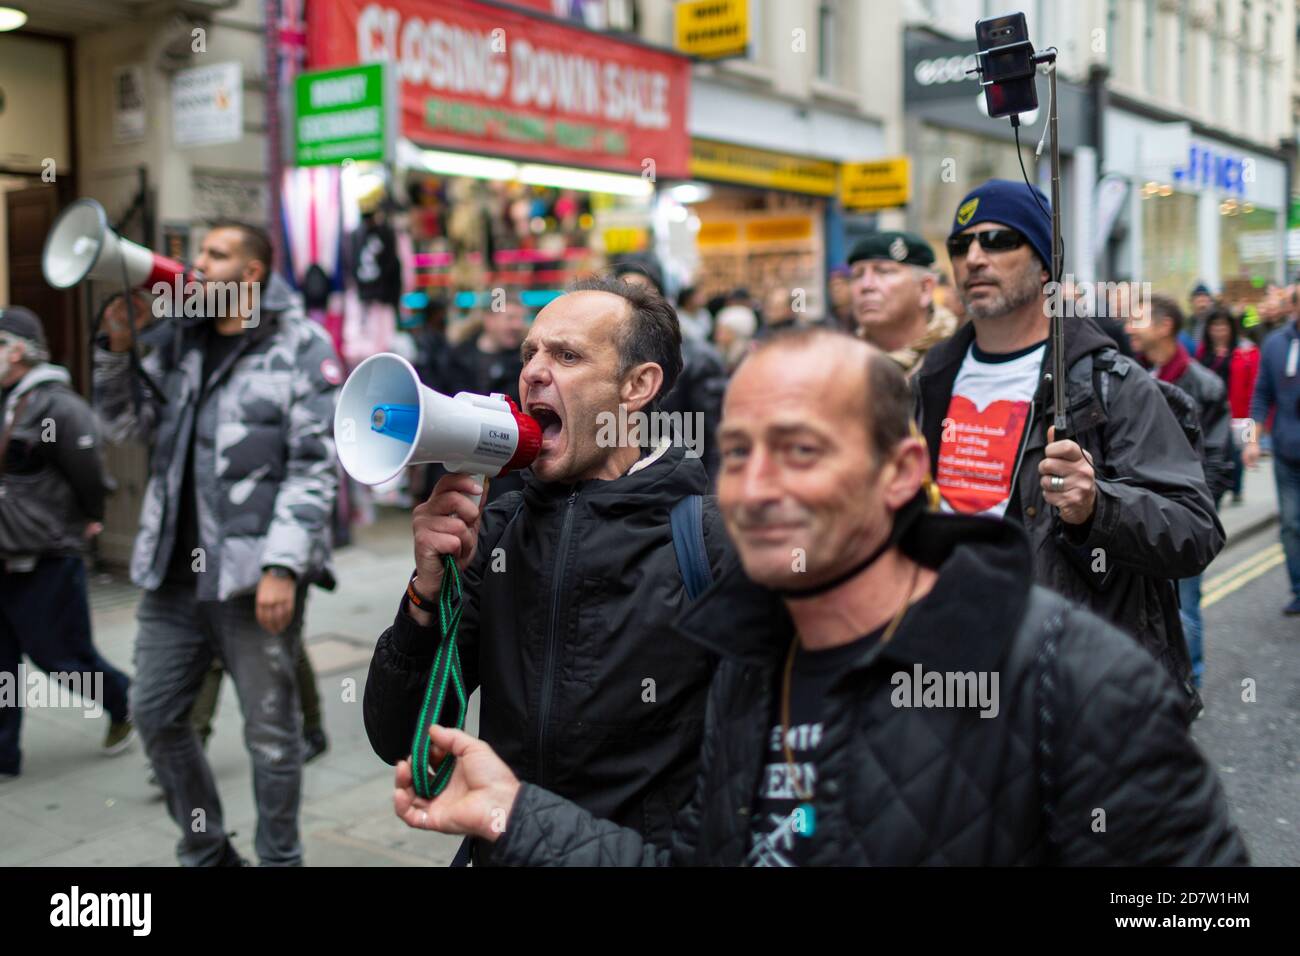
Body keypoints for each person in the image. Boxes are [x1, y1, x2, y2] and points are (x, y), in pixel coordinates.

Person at [392, 329, 1248, 867]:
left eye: (800, 450)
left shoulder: (1075, 679)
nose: (757, 487)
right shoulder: (754, 666)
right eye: (737, 451)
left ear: (902, 473)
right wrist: (514, 815)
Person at [364, 275, 735, 864]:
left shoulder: (708, 542)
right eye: (529, 353)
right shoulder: (500, 528)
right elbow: (398, 740)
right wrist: (425, 598)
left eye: (566, 355)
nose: (534, 371)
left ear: (638, 386)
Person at [915, 180, 1222, 716]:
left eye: (999, 240)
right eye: (961, 246)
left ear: (1044, 264)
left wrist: (1096, 507)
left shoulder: (1112, 383)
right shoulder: (931, 380)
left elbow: (1196, 529)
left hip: (1077, 689)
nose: (975, 258)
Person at [94, 221, 341, 866]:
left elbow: (315, 464)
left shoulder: (300, 344)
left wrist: (283, 565)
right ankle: (207, 850)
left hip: (250, 578)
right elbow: (125, 422)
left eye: (216, 254)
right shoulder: (182, 339)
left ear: (252, 273)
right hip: (173, 578)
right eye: (199, 252)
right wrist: (117, 347)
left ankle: (279, 859)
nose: (198, 263)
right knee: (154, 716)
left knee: (271, 737)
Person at [0, 306, 131, 778]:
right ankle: (3, 753)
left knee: (62, 658)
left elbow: (90, 475)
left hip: (47, 556)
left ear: (18, 351)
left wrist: (91, 518)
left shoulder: (58, 406)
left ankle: (126, 701)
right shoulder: (5, 400)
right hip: (5, 557)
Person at [1125, 295, 1233, 689]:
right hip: (1138, 517)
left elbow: (1219, 460)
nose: (1129, 327)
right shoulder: (1130, 379)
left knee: (1185, 606)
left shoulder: (1205, 386)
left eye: (1137, 319)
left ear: (1164, 325)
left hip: (1181, 519)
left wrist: (1196, 513)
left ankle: (1189, 684)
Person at [615, 258, 726, 480]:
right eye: (621, 295)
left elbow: (715, 441)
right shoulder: (604, 360)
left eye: (640, 293)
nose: (629, 303)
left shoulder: (698, 359)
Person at [430, 296, 528, 502]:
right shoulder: (454, 359)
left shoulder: (526, 364)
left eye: (521, 319)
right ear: (489, 319)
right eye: (510, 318)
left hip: (507, 479)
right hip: (457, 470)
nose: (517, 326)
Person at [1244, 283, 1300, 615]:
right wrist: (1251, 440)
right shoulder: (1275, 344)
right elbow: (1260, 396)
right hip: (1287, 452)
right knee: (1291, 524)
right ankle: (1298, 589)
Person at [847, 231, 958, 378]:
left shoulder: (958, 357)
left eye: (883, 271)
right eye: (857, 275)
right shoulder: (841, 363)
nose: (866, 285)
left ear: (925, 288)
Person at [1198, 307, 1259, 505]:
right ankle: (1221, 488)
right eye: (1214, 326)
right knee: (1219, 452)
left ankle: (1236, 487)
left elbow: (1254, 387)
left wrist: (1255, 421)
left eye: (1223, 326)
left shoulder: (1246, 352)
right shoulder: (1202, 353)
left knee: (1238, 454)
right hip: (1211, 415)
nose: (1219, 331)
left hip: (1241, 415)